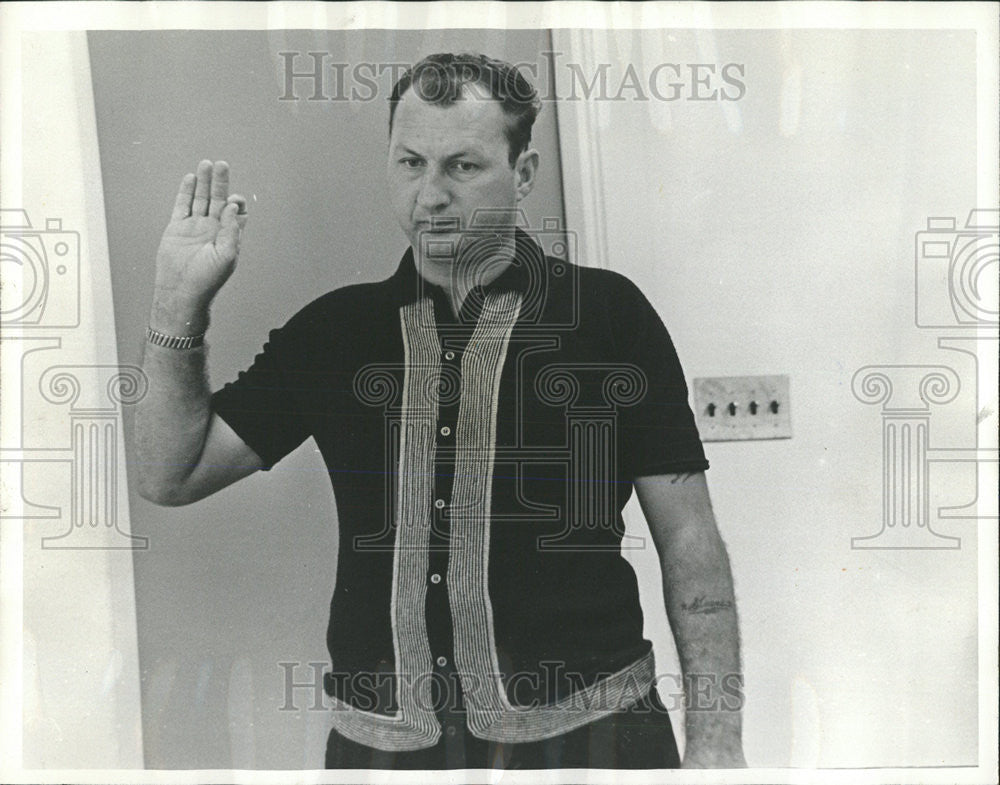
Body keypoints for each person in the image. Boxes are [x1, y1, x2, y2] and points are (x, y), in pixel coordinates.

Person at [136, 52, 747, 771]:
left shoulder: (609, 317)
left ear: (522, 173)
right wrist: (180, 305)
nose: (429, 195)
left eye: (462, 166)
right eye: (409, 162)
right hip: (385, 753)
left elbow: (691, 548)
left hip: (596, 738)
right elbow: (170, 474)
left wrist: (717, 746)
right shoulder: (335, 332)